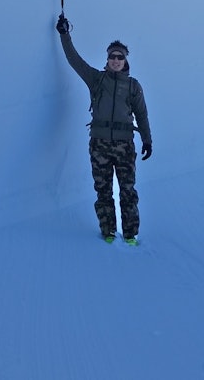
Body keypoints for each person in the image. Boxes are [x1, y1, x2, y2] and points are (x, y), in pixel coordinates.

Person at [56, 14, 153, 245]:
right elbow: (75, 61)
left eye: (120, 56)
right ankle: (108, 232)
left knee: (128, 191)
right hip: (99, 145)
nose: (116, 60)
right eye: (112, 56)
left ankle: (130, 235)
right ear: (107, 59)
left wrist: (147, 141)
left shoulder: (133, 86)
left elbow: (142, 115)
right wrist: (64, 35)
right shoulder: (97, 80)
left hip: (124, 146)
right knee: (103, 190)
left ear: (126, 60)